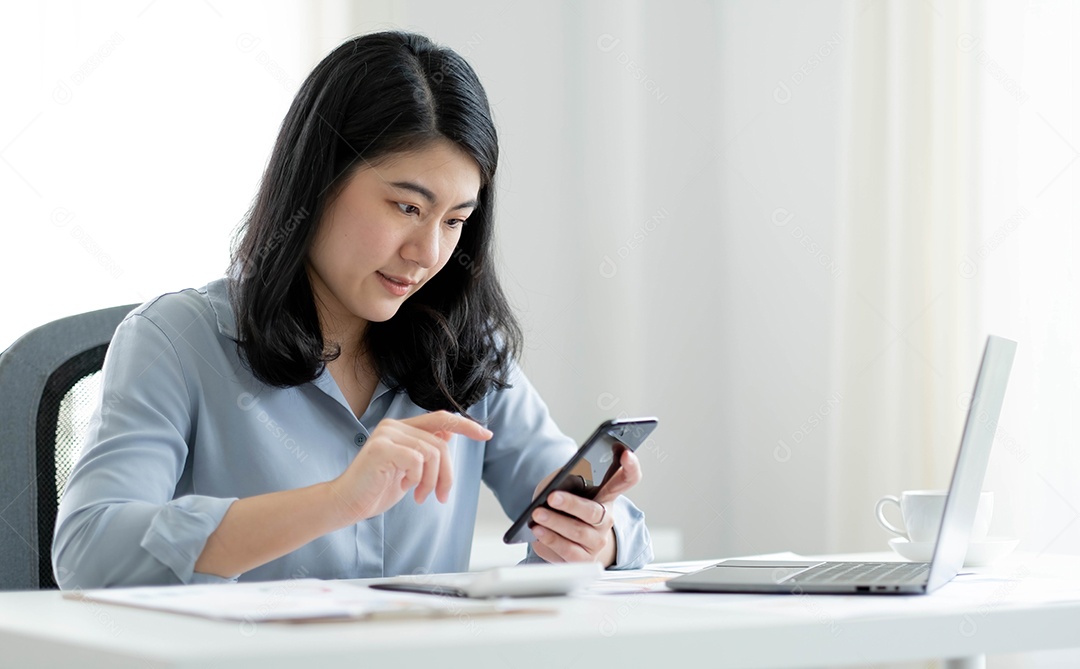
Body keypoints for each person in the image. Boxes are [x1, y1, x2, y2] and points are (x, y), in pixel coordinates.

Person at [52, 31, 652, 588]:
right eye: (406, 208)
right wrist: (337, 501)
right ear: (319, 180)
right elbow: (89, 550)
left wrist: (592, 539)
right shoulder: (176, 341)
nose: (428, 253)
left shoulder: (466, 348)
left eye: (455, 221)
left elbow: (617, 527)